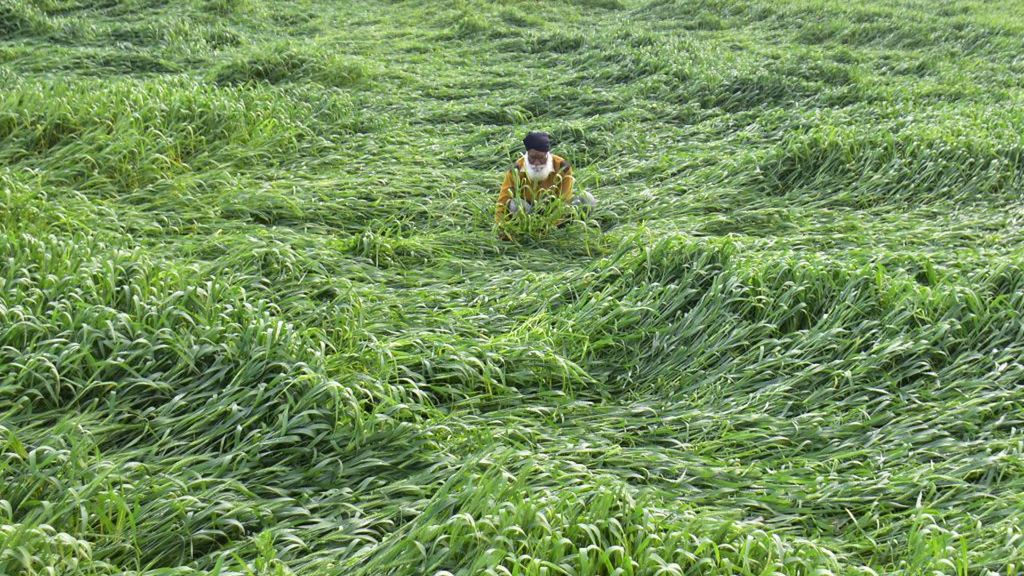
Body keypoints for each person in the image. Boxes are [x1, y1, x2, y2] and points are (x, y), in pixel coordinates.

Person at [495, 131, 596, 238]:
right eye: (532, 158)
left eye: (541, 158)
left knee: (587, 199)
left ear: (547, 155)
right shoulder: (516, 169)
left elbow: (564, 200)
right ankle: (528, 232)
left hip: (554, 212)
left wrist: (549, 226)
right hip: (527, 212)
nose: (536, 163)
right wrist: (501, 227)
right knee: (515, 204)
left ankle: (560, 231)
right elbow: (503, 200)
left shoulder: (562, 167)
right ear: (527, 154)